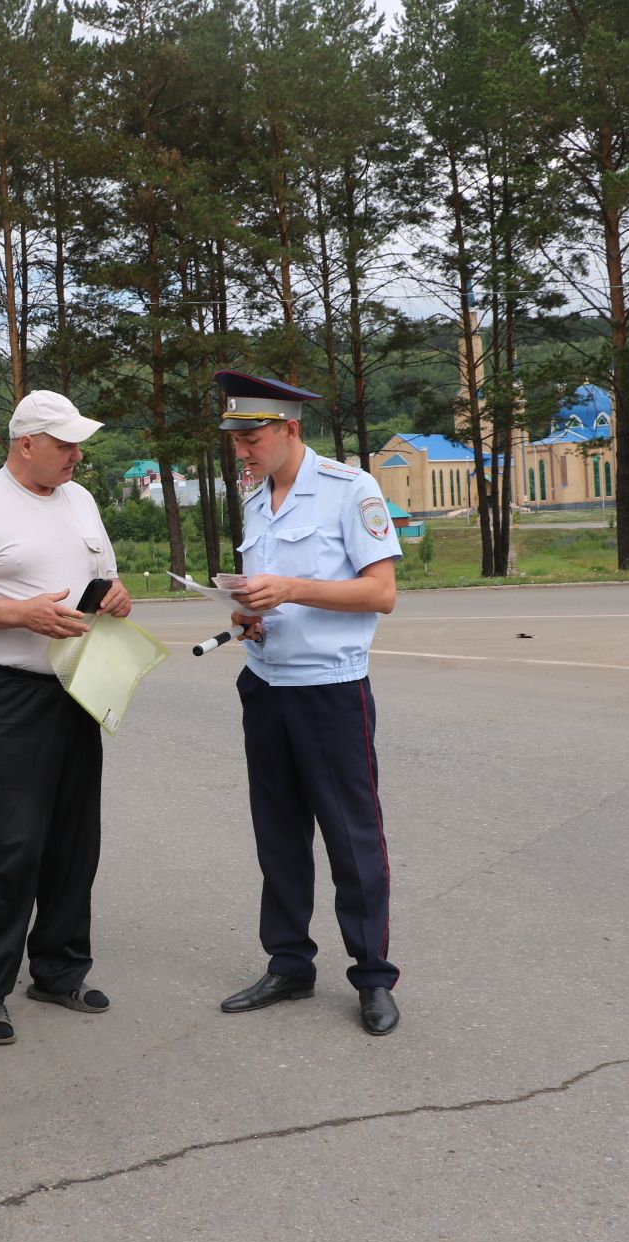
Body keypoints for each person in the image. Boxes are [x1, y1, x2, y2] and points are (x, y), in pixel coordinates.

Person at [0, 390, 131, 1046]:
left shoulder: (81, 501)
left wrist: (114, 597)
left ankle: (60, 970)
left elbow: (101, 577)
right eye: (65, 443)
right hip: (9, 694)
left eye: (78, 443)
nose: (77, 454)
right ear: (26, 445)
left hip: (79, 684)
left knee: (75, 840)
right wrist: (21, 614)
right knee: (9, 845)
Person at [212, 371, 404, 1036]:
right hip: (265, 684)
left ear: (290, 428)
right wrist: (248, 614)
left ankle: (373, 976)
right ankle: (289, 962)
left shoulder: (351, 491)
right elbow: (262, 591)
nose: (242, 450)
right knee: (279, 835)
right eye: (235, 439)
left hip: (329, 690)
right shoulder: (256, 500)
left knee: (352, 839)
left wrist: (291, 587)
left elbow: (381, 592)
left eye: (252, 436)